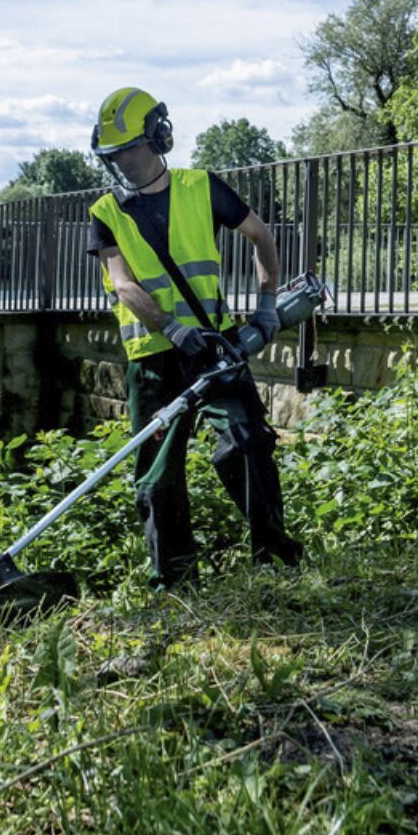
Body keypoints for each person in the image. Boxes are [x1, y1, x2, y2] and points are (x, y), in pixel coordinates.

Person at [85, 84, 304, 587]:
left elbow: (260, 235)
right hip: (154, 358)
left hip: (217, 347)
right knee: (159, 473)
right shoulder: (104, 213)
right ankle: (175, 582)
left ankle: (275, 561)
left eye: (129, 151)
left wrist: (267, 304)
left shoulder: (201, 187)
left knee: (245, 443)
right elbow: (123, 283)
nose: (122, 163)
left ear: (158, 138)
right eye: (112, 155)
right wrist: (172, 327)